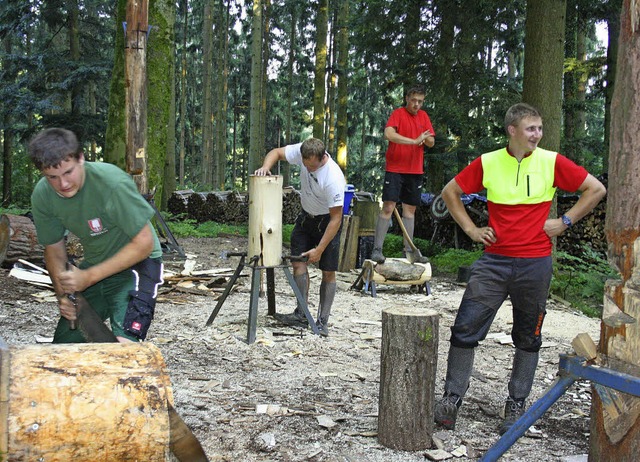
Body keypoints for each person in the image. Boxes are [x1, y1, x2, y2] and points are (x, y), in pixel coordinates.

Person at [434, 103, 606, 434]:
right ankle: (451, 399)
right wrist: (471, 230)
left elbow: (596, 189)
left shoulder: (551, 161)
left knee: (528, 337)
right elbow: (450, 192)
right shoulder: (488, 162)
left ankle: (516, 406)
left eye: (540, 129)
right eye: (531, 129)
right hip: (493, 263)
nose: (537, 135)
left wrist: (565, 221)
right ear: (512, 130)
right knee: (464, 330)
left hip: (535, 263)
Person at [28, 128, 164, 343]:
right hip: (97, 264)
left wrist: (87, 277)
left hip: (137, 264)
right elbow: (53, 249)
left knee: (124, 346)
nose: (63, 184)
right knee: (63, 347)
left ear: (81, 158)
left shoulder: (111, 183)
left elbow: (144, 243)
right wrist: (63, 296)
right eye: (52, 177)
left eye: (68, 172)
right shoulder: (43, 195)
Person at [254, 138, 346, 337]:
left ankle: (322, 321)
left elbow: (336, 219)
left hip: (328, 222)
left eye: (312, 165)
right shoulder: (303, 151)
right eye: (305, 164)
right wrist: (265, 167)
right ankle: (302, 313)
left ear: (322, 158)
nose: (308, 168)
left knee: (328, 271)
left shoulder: (333, 178)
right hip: (306, 218)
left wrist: (320, 249)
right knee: (298, 263)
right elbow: (276, 152)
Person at [370, 85, 435, 264]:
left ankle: (409, 251)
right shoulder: (398, 114)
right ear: (407, 98)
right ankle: (377, 249)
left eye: (420, 101)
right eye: (413, 100)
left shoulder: (424, 116)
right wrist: (413, 141)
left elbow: (431, 142)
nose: (416, 105)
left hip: (415, 171)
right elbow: (389, 134)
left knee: (410, 211)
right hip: (395, 169)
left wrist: (424, 138)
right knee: (388, 207)